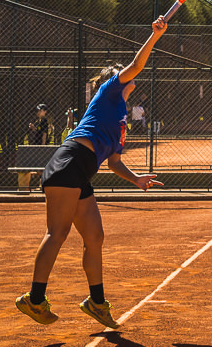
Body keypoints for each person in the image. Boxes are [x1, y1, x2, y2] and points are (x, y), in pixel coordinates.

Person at [15, 16, 167, 329]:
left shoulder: (121, 117)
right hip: (69, 162)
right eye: (124, 73)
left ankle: (96, 303)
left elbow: (113, 163)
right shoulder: (109, 91)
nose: (130, 76)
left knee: (95, 237)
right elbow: (137, 65)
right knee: (57, 233)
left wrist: (136, 179)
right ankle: (34, 298)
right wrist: (155, 35)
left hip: (81, 172)